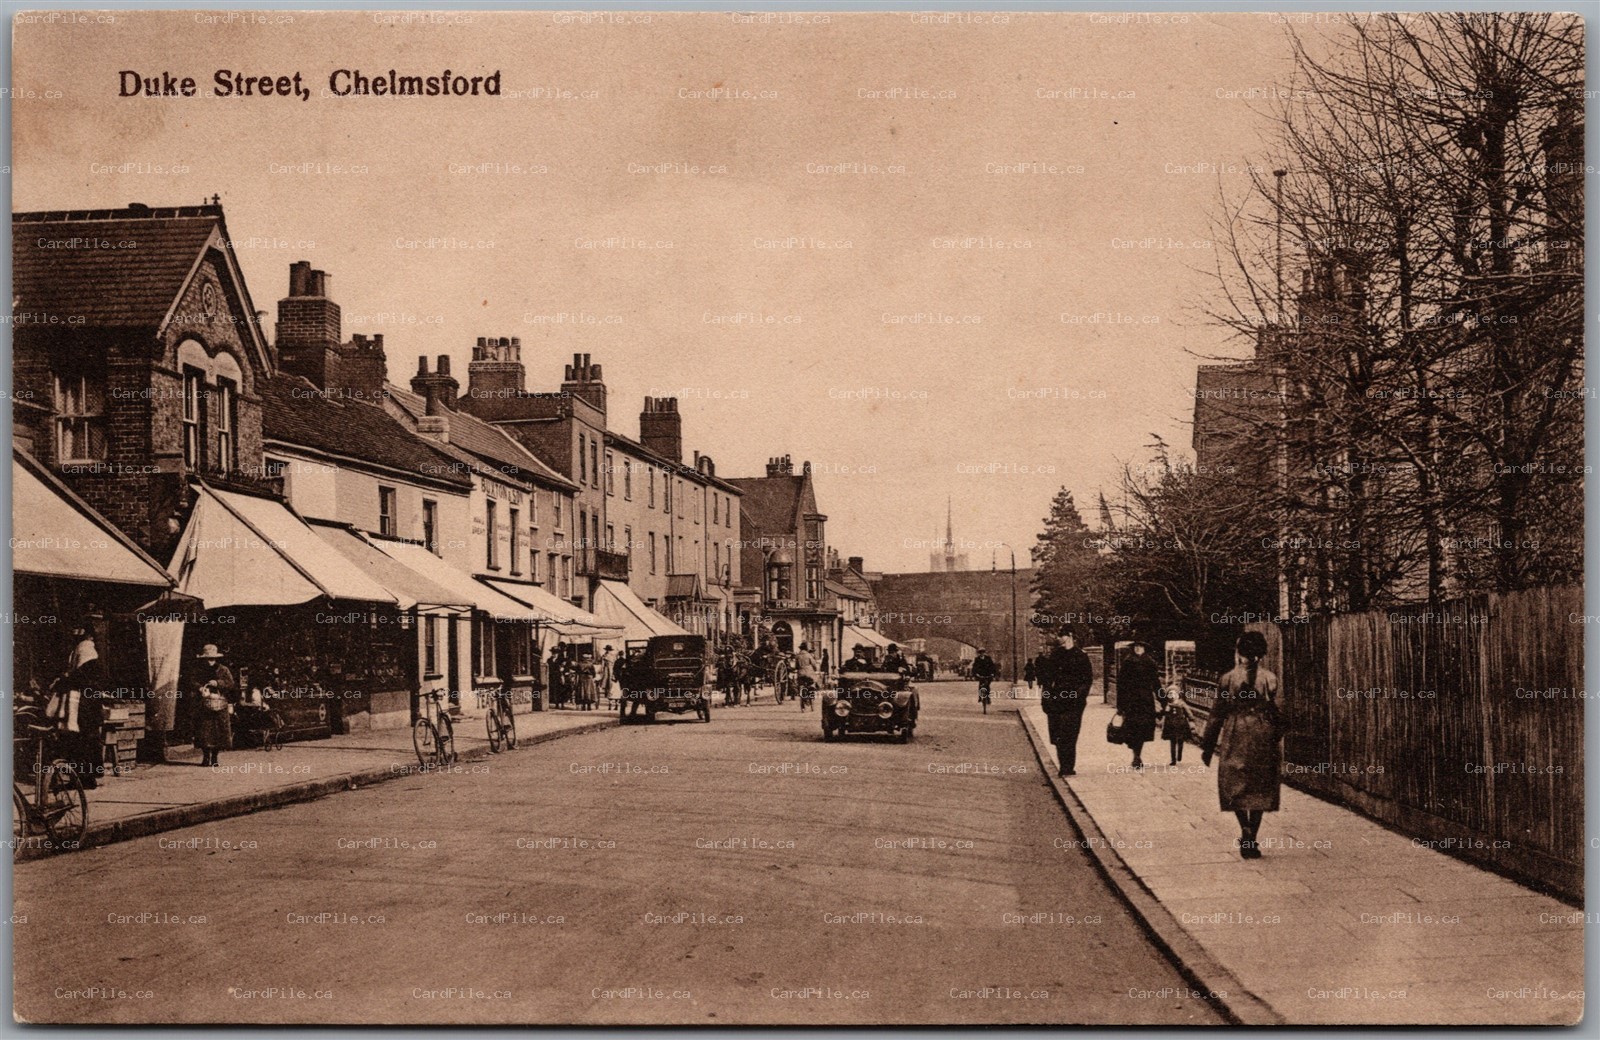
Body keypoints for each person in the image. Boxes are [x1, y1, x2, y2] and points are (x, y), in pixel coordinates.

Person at [1201, 632, 1283, 859]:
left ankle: (1244, 827)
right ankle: (1252, 837)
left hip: (1236, 731)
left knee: (1233, 781)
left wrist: (1207, 745)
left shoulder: (1228, 678)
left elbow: (1217, 714)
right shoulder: (1270, 678)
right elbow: (1278, 711)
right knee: (1260, 784)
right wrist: (1276, 736)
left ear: (1239, 652)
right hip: (1262, 733)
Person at [52, 620, 108, 788]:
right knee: (87, 739)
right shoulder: (90, 648)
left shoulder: (85, 648)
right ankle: (87, 777)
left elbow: (81, 676)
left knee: (81, 740)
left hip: (84, 703)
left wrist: (64, 681)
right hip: (90, 701)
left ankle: (84, 778)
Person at [1038, 628, 1093, 777]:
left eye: (1061, 636)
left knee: (1070, 733)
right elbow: (1048, 679)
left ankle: (1067, 767)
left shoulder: (1081, 656)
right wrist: (1046, 697)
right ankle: (1064, 764)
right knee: (1057, 735)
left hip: (1074, 701)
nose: (1058, 638)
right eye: (1058, 635)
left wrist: (1079, 695)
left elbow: (1087, 680)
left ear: (1070, 636)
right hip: (1057, 699)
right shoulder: (1056, 655)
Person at [1115, 639, 1162, 769]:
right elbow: (1121, 684)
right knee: (1132, 728)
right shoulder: (1128, 662)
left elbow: (1156, 684)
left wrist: (1164, 701)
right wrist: (1120, 705)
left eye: (1140, 646)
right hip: (1131, 701)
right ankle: (1136, 754)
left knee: (1143, 728)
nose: (1137, 648)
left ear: (1144, 648)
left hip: (1146, 701)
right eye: (1135, 646)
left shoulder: (1150, 663)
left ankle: (1137, 755)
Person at [193, 644, 236, 768]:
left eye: (212, 658)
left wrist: (218, 682)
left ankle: (215, 758)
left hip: (220, 704)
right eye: (207, 658)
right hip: (204, 704)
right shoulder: (198, 670)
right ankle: (206, 757)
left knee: (219, 732)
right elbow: (192, 681)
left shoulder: (223, 670)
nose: (209, 660)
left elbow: (230, 683)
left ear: (216, 658)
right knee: (204, 732)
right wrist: (200, 687)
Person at [1159, 681, 1194, 766]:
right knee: (1172, 742)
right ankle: (1173, 759)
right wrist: (1165, 712)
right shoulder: (1168, 705)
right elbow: (1164, 715)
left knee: (1181, 740)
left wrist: (1191, 719)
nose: (1172, 695)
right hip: (1171, 726)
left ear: (1178, 694)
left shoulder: (1182, 704)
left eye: (1174, 693)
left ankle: (1179, 754)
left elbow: (1188, 712)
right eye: (1170, 694)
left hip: (1181, 724)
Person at [793, 642, 820, 710]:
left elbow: (796, 666)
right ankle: (811, 696)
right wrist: (815, 669)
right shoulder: (809, 655)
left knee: (801, 685)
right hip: (809, 673)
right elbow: (813, 664)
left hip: (801, 674)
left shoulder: (797, 656)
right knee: (812, 684)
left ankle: (803, 705)